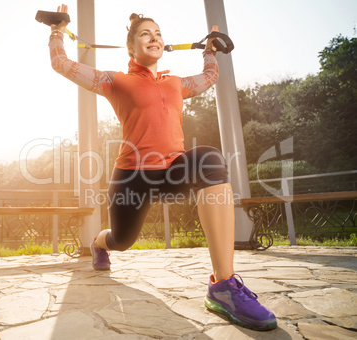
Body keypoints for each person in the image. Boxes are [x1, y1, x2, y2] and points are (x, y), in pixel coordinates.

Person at [48, 4, 277, 331]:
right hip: (132, 179)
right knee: (122, 239)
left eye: (157, 34)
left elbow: (210, 76)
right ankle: (99, 244)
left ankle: (223, 287)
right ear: (131, 46)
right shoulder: (116, 81)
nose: (153, 38)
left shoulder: (175, 84)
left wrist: (209, 50)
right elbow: (61, 64)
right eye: (145, 34)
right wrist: (58, 31)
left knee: (210, 159)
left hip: (173, 173)